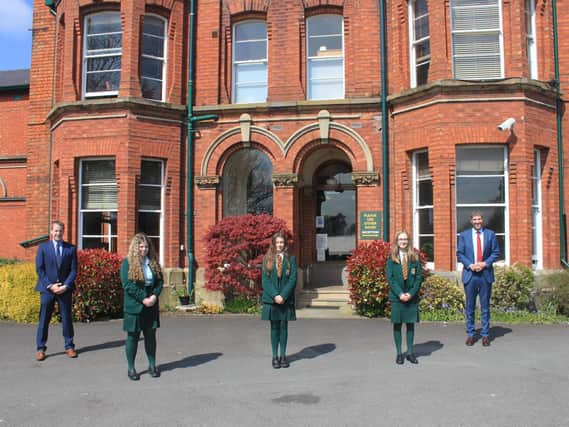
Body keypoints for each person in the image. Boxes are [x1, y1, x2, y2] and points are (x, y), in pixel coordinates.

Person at [120, 233, 163, 380]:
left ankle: (152, 365)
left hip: (151, 305)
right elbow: (128, 285)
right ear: (135, 248)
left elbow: (159, 282)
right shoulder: (127, 263)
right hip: (134, 306)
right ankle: (131, 368)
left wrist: (154, 296)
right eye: (141, 247)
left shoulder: (153, 262)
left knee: (151, 336)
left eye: (146, 246)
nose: (144, 249)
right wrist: (143, 298)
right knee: (133, 337)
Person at [35, 220, 78, 361]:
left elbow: (73, 270)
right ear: (51, 231)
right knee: (44, 319)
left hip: (64, 290)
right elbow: (40, 269)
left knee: (66, 319)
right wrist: (50, 285)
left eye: (60, 231)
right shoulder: (43, 248)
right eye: (55, 230)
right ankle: (40, 348)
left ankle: (69, 346)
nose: (58, 233)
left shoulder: (70, 249)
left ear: (63, 232)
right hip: (47, 290)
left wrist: (65, 285)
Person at [457, 211, 500, 347]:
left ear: (482, 220)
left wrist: (484, 263)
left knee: (485, 307)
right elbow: (460, 253)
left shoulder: (490, 235)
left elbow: (496, 252)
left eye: (479, 219)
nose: (477, 222)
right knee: (470, 307)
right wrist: (470, 265)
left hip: (485, 274)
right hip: (470, 274)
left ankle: (485, 335)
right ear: (471, 221)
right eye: (474, 219)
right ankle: (470, 334)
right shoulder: (464, 236)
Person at [386, 231, 423, 365]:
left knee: (410, 325)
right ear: (397, 241)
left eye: (405, 239)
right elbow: (390, 279)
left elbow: (419, 278)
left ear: (409, 241)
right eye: (401, 239)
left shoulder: (414, 257)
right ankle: (399, 353)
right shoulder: (392, 258)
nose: (403, 241)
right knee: (397, 325)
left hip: (411, 297)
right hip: (397, 297)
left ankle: (410, 353)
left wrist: (411, 294)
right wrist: (400, 294)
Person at [261, 232, 297, 369]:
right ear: (273, 244)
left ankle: (283, 356)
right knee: (274, 327)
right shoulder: (267, 259)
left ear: (285, 244)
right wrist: (275, 295)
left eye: (282, 242)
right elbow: (265, 280)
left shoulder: (291, 259)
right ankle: (274, 356)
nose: (279, 245)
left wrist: (283, 295)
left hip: (285, 300)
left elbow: (293, 279)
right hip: (272, 300)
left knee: (284, 326)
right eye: (277, 242)